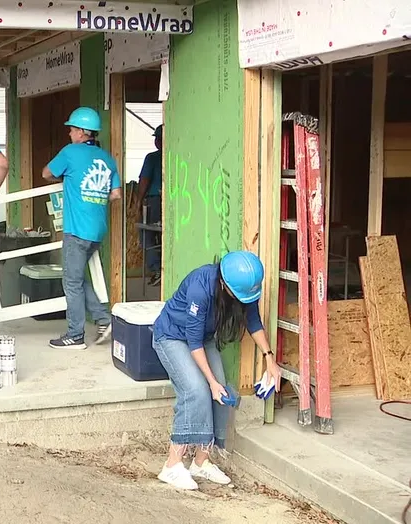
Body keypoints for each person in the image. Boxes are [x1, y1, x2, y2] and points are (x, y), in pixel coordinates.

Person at [151, 250, 281, 490]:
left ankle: (201, 462)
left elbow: (253, 321)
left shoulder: (245, 290)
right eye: (238, 295)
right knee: (196, 390)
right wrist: (210, 382)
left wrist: (269, 359)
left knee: (223, 394)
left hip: (204, 338)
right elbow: (193, 340)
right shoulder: (201, 286)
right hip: (173, 337)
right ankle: (171, 465)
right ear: (224, 283)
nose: (242, 300)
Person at [42, 107, 122, 350]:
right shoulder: (107, 158)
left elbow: (46, 173)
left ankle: (75, 335)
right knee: (76, 278)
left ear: (81, 132)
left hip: (76, 231)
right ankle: (103, 318)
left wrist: (70, 180)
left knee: (71, 282)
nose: (69, 132)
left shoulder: (70, 153)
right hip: (97, 231)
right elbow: (116, 194)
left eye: (72, 129)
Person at [131, 124, 163, 286]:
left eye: (157, 138)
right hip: (170, 200)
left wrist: (138, 202)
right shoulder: (174, 155)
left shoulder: (152, 158)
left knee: (146, 233)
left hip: (154, 201)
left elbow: (144, 180)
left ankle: (157, 269)